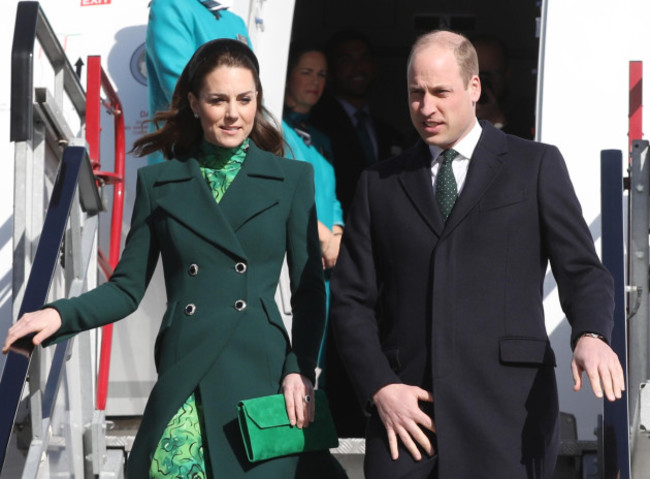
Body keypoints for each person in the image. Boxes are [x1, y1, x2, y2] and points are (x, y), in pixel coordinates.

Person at [4, 39, 330, 478]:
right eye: (218, 99)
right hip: (185, 372)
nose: (234, 114)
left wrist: (300, 370)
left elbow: (309, 290)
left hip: (262, 374)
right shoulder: (161, 183)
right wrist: (60, 315)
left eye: (245, 99)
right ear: (194, 104)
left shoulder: (291, 178)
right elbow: (126, 288)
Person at [330, 30, 625, 479]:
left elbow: (582, 270)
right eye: (416, 93)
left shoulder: (535, 165)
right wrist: (380, 386)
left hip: (508, 418)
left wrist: (591, 334)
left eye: (440, 92)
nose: (426, 108)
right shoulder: (379, 184)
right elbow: (351, 302)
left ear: (474, 88)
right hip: (407, 423)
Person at [282, 43, 344, 380]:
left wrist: (336, 231)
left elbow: (332, 198)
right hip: (295, 257)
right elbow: (283, 193)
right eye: (306, 72)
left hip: (325, 261)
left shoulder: (319, 138)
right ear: (287, 74)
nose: (314, 81)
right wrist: (320, 236)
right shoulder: (270, 129)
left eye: (321, 74)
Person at [310, 30, 405, 216]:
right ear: (330, 71)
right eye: (346, 61)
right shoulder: (317, 127)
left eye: (365, 59)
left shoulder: (389, 133)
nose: (358, 67)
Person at [146, 0, 251, 164]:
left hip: (238, 161)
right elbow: (178, 87)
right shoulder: (170, 5)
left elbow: (251, 90)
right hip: (185, 160)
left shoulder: (235, 22)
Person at [471, 33, 536, 139]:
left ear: (507, 74)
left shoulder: (524, 111)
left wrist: (497, 121)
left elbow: (524, 151)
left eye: (489, 75)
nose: (482, 82)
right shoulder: (449, 104)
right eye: (476, 74)